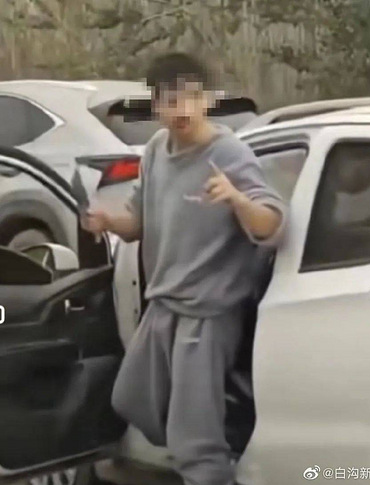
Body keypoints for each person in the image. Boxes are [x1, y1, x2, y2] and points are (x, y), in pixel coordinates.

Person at [81, 52, 286, 485]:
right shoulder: (157, 150)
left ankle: (209, 465)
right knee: (131, 399)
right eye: (171, 101)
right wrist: (107, 221)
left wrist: (237, 199)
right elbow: (137, 221)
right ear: (156, 106)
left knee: (194, 443)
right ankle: (213, 439)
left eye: (192, 98)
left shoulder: (228, 153)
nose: (182, 110)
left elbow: (271, 224)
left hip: (208, 314)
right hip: (163, 306)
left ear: (208, 100)